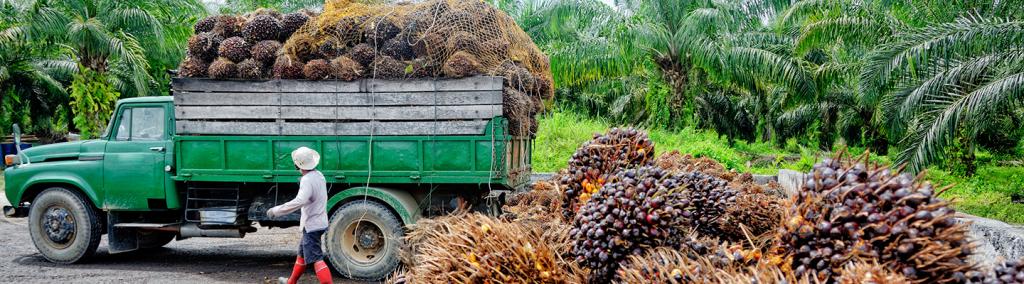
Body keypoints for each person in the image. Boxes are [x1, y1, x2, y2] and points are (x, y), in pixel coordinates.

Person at [267, 147, 332, 284]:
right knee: (302, 254)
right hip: (319, 222)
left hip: (312, 225)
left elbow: (299, 201)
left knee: (316, 259)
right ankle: (291, 282)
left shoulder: (307, 180)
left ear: (297, 165)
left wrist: (276, 211)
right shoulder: (319, 175)